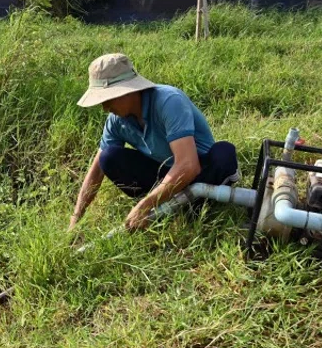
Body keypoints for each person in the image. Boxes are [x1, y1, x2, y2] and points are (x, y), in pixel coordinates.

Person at [68, 53, 239, 232]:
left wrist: (144, 205)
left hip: (201, 172)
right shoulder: (116, 120)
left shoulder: (168, 101)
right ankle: (164, 208)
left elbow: (189, 165)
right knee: (109, 157)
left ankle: (196, 207)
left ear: (127, 90)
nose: (105, 108)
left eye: (108, 100)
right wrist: (75, 220)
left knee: (224, 153)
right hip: (166, 173)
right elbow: (96, 172)